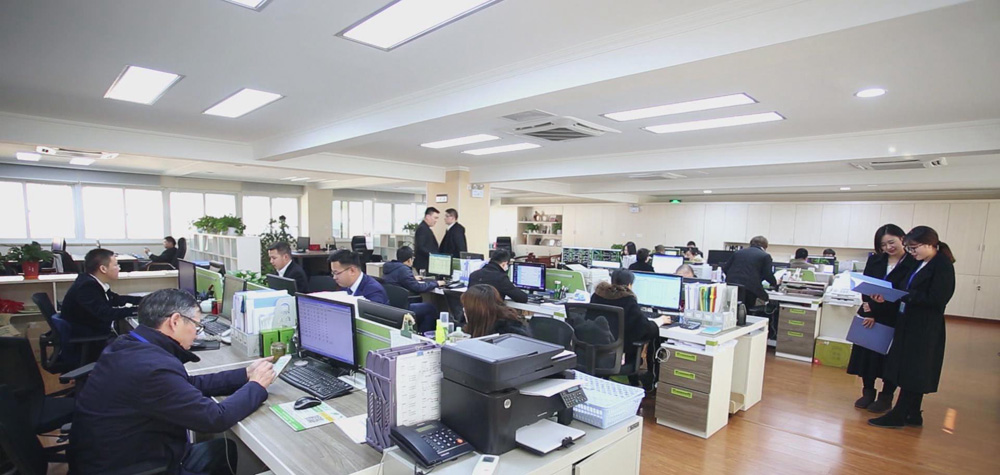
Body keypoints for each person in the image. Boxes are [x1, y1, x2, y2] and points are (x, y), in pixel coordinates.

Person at [69, 288, 276, 474]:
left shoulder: (130, 345)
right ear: (175, 321)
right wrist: (256, 386)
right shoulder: (152, 368)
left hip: (120, 455)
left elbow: (187, 384)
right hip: (132, 466)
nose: (197, 334)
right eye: (196, 325)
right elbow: (214, 418)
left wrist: (245, 374)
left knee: (222, 449)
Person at [869, 226, 955, 429]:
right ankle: (913, 413)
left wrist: (904, 295)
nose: (911, 252)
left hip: (924, 326)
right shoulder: (921, 262)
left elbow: (937, 299)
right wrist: (889, 296)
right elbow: (906, 287)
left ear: (930, 244)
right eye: (909, 248)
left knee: (914, 370)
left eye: (914, 248)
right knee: (910, 367)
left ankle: (899, 415)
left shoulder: (942, 265)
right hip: (909, 322)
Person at [847, 224, 918, 413]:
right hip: (870, 312)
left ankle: (886, 397)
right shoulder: (876, 260)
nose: (888, 247)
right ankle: (868, 392)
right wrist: (869, 310)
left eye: (891, 242)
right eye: (883, 245)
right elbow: (865, 285)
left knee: (890, 359)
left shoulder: (912, 262)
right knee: (867, 355)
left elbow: (907, 291)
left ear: (902, 238)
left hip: (894, 316)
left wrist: (882, 303)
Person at [589, 269, 667, 389]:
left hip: (595, 353)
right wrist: (660, 321)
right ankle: (651, 380)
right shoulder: (628, 300)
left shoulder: (597, 296)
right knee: (652, 334)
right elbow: (644, 329)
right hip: (619, 356)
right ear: (630, 285)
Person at [61, 249, 142, 339]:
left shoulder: (91, 281)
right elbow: (105, 313)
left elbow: (115, 299)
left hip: (91, 331)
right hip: (89, 336)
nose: (119, 268)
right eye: (116, 265)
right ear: (103, 269)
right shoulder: (87, 286)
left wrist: (145, 300)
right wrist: (138, 310)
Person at [381, 246, 445, 332]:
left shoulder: (390, 267)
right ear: (409, 260)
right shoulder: (404, 270)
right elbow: (418, 287)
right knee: (431, 308)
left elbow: (398, 279)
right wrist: (437, 283)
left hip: (393, 305)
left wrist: (412, 278)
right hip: (403, 307)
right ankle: (424, 334)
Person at [721, 236, 778, 306]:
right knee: (767, 301)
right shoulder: (765, 256)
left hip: (731, 287)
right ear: (765, 246)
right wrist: (774, 284)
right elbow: (768, 274)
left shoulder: (738, 253)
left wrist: (733, 279)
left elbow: (725, 268)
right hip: (750, 290)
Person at [461, 284, 530, 338]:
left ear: (474, 311)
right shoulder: (480, 325)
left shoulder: (508, 334)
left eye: (465, 306)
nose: (463, 310)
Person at [413, 207, 441, 272]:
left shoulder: (426, 228)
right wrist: (432, 255)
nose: (436, 220)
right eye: (435, 218)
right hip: (424, 264)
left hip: (427, 263)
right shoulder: (422, 229)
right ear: (428, 217)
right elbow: (421, 246)